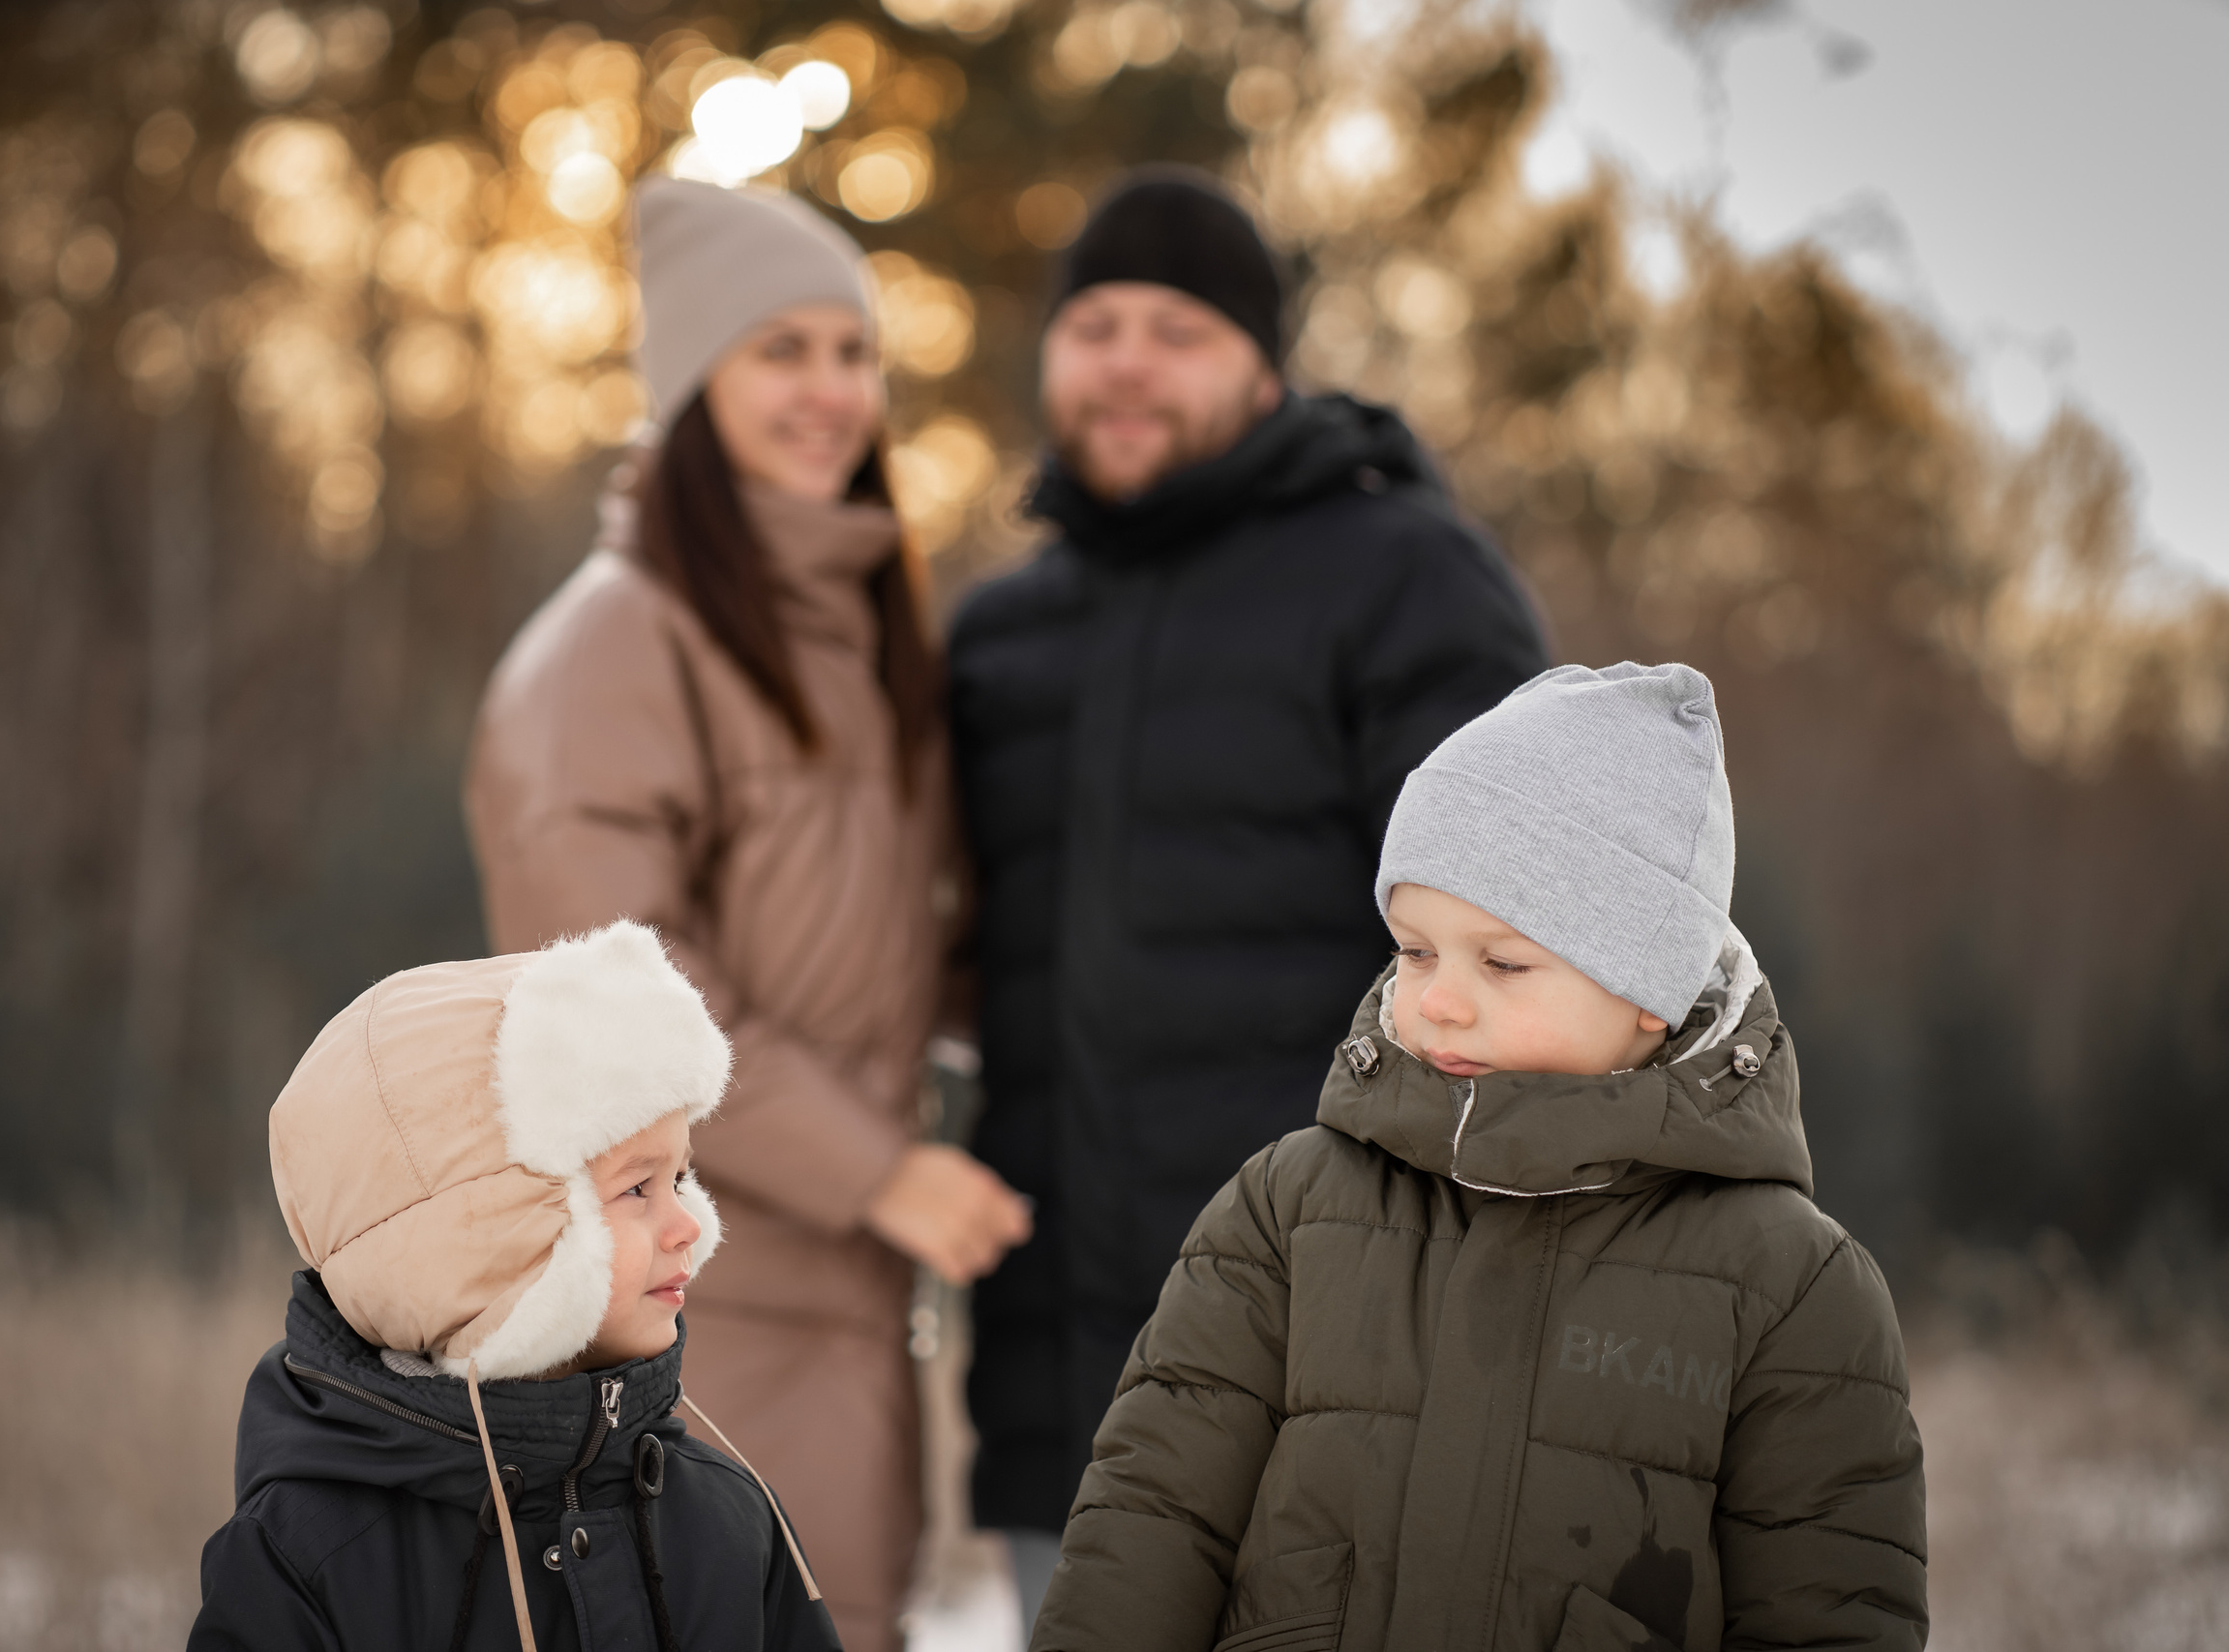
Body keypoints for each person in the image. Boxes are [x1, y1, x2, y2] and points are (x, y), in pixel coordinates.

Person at [1029, 664, 1930, 1652]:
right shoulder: (1287, 1213)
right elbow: (1149, 1523)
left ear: (1650, 993)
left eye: (1501, 962)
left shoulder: (1789, 1289)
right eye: (1414, 951)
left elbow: (1829, 1619)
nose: (1440, 1000)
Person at [948, 167, 1550, 1603]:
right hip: (1065, 1404)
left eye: (1178, 327)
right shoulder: (998, 639)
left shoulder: (1406, 582)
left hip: (1336, 1389)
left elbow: (1539, 962)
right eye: (1095, 324)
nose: (1129, 361)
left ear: (1264, 365)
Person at [464, 179, 1032, 1652]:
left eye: (853, 352)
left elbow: (894, 943)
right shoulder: (614, 646)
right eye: (781, 349)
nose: (832, 390)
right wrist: (883, 1170)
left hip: (842, 1304)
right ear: (691, 383)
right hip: (683, 1318)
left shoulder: (856, 641)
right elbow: (624, 995)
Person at [190, 919, 841, 1652]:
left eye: (682, 1176)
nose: (687, 1222)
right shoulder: (309, 1556)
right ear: (486, 1231)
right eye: (637, 1188)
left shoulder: (729, 1522)